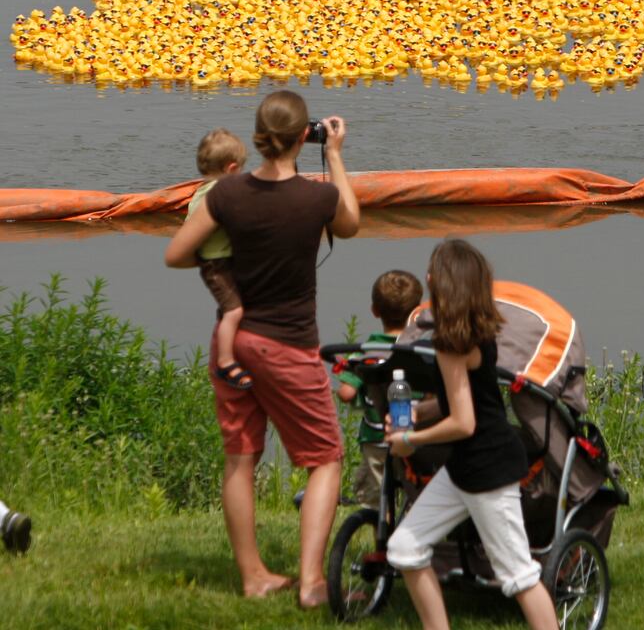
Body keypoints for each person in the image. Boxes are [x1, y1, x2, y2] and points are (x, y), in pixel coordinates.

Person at [165, 90, 360, 608]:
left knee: (240, 458)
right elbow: (351, 224)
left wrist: (227, 270)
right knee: (325, 459)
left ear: (257, 135)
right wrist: (336, 155)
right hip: (289, 345)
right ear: (305, 136)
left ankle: (253, 577)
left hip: (234, 342)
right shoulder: (318, 199)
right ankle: (313, 582)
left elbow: (177, 255)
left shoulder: (227, 194)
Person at [384, 239, 558, 630]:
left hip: (487, 471)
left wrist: (409, 440)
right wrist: (419, 410)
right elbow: (465, 401)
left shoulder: (451, 344)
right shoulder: (477, 332)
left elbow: (464, 423)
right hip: (466, 468)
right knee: (406, 548)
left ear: (435, 283)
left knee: (519, 576)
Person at [336, 270, 424, 507]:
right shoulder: (422, 352)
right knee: (414, 490)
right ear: (417, 312)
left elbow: (346, 393)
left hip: (376, 438)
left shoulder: (367, 353)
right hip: (414, 438)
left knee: (375, 499)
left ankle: (379, 533)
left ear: (375, 310)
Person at [188, 128, 251, 389]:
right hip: (217, 263)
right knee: (233, 311)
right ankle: (226, 361)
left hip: (217, 259)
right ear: (232, 168)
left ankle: (234, 350)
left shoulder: (201, 192)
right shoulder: (221, 195)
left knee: (232, 309)